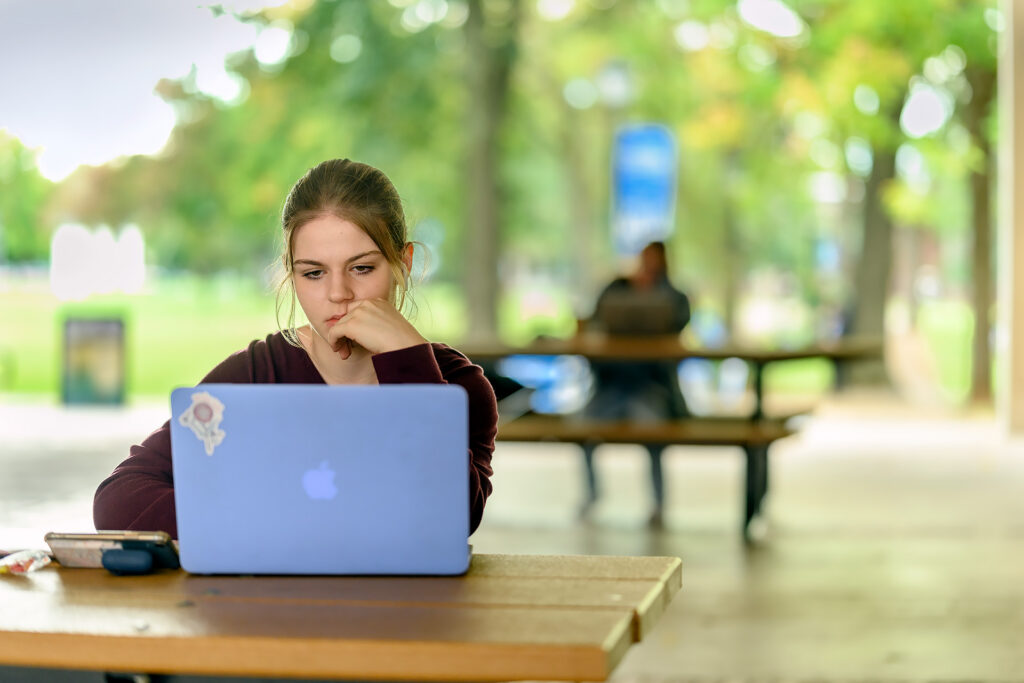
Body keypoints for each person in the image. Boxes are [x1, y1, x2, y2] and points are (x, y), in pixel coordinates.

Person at [93, 159, 498, 537]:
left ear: (402, 264)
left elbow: (453, 516)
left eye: (362, 268)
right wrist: (278, 522)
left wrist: (408, 361)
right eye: (314, 273)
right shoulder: (254, 377)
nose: (338, 293)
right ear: (291, 272)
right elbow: (119, 500)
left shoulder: (457, 386)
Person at [579, 241, 690, 527]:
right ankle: (591, 496)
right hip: (612, 386)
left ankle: (658, 503)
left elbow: (680, 319)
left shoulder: (673, 297)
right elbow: (596, 316)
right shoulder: (617, 289)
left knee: (654, 436)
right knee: (581, 429)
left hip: (650, 388)